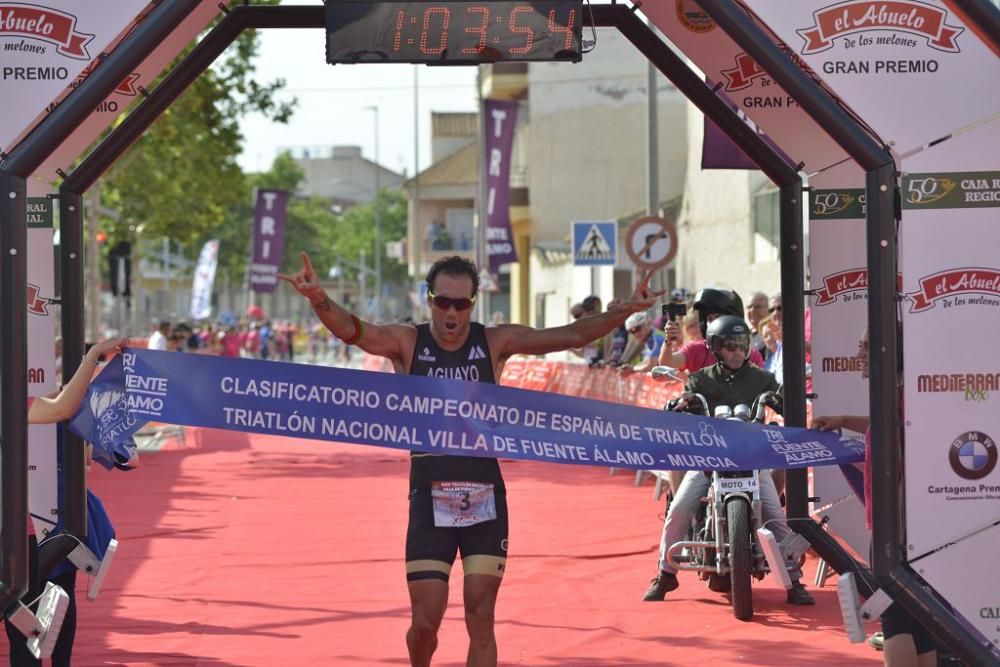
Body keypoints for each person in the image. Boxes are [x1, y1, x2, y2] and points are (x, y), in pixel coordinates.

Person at [280, 252, 663, 667]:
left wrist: (625, 309)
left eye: (461, 304)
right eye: (442, 301)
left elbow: (570, 336)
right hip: (428, 494)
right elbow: (353, 331)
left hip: (483, 492)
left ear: (473, 305)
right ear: (429, 300)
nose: (451, 312)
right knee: (426, 621)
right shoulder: (407, 343)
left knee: (481, 616)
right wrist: (319, 298)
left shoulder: (494, 342)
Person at [642, 316, 814, 605]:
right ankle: (665, 574)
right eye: (730, 346)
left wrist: (783, 403)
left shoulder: (764, 379)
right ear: (715, 347)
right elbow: (687, 398)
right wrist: (681, 404)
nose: (737, 352)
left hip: (751, 461)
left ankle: (794, 581)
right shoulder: (701, 378)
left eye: (742, 346)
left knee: (776, 518)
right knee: (679, 509)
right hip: (709, 462)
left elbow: (785, 403)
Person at [811, 331, 936, 667]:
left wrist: (893, 532)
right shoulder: (903, 395)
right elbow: (889, 427)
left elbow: (905, 456)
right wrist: (844, 421)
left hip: (897, 531)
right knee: (920, 624)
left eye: (867, 344)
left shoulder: (903, 398)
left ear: (888, 352)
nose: (860, 352)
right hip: (908, 528)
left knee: (895, 623)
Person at [5, 337, 127, 667]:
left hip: (17, 530)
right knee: (23, 626)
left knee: (23, 627)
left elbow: (62, 408)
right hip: (17, 529)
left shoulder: (9, 399)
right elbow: (62, 408)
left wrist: (91, 358)